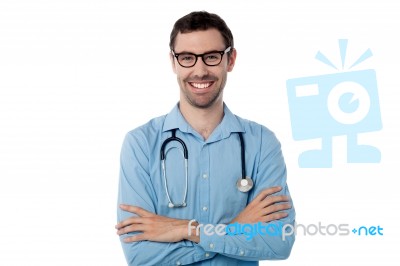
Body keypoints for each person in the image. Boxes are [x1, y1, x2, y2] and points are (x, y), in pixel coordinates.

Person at [115, 11, 295, 265]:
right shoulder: (141, 144)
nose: (200, 71)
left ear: (230, 60)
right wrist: (235, 228)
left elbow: (279, 243)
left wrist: (188, 230)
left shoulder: (262, 143)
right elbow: (140, 256)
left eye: (211, 57)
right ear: (174, 62)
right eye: (187, 58)